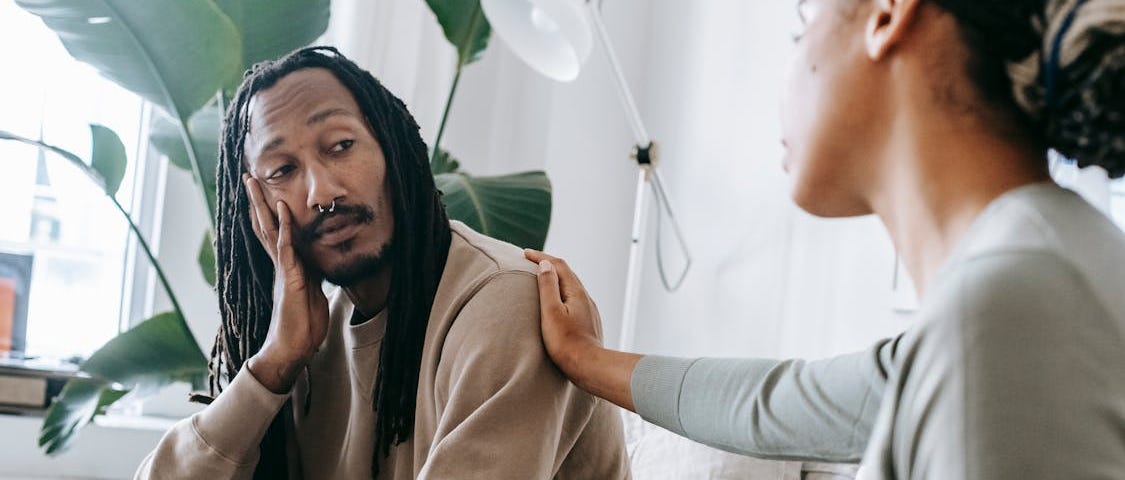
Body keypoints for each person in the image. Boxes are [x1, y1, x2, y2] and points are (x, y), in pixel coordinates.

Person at [526, 0, 1125, 478]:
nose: (784, 76)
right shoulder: (1038, 273)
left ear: (888, 15)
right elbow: (775, 403)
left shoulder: (1010, 308)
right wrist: (584, 358)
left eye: (799, 28)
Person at [135, 46, 629, 480]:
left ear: (392, 147)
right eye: (283, 170)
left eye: (341, 146)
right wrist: (273, 365)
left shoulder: (506, 303)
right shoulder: (309, 340)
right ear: (258, 210)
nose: (322, 193)